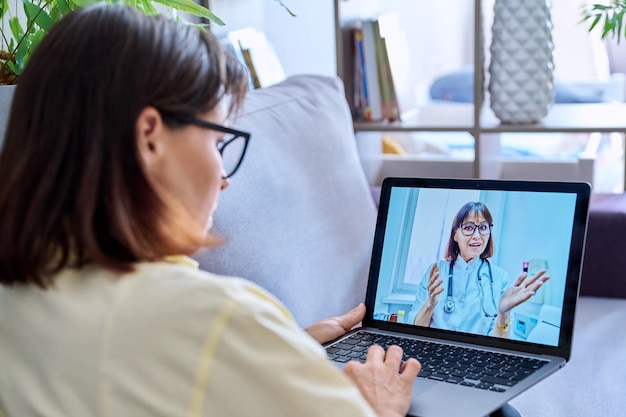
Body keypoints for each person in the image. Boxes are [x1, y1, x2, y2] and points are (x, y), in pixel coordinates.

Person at [0, 5, 420, 417]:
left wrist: (278, 353)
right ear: (150, 138)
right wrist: (379, 407)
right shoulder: (215, 319)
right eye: (218, 142)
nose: (223, 176)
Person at [408, 201, 549, 338]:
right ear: (455, 235)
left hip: (476, 356)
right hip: (434, 352)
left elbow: (498, 347)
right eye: (468, 228)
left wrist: (503, 315)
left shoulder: (500, 278)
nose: (477, 236)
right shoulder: (436, 272)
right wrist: (430, 304)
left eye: (483, 228)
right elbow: (415, 332)